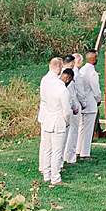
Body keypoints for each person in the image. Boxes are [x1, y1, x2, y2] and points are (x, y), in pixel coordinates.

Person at [38, 56, 69, 184]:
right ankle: (55, 177)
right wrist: (66, 122)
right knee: (56, 150)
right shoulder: (62, 90)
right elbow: (66, 111)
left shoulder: (47, 82)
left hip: (47, 119)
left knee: (47, 148)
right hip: (57, 121)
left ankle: (47, 174)